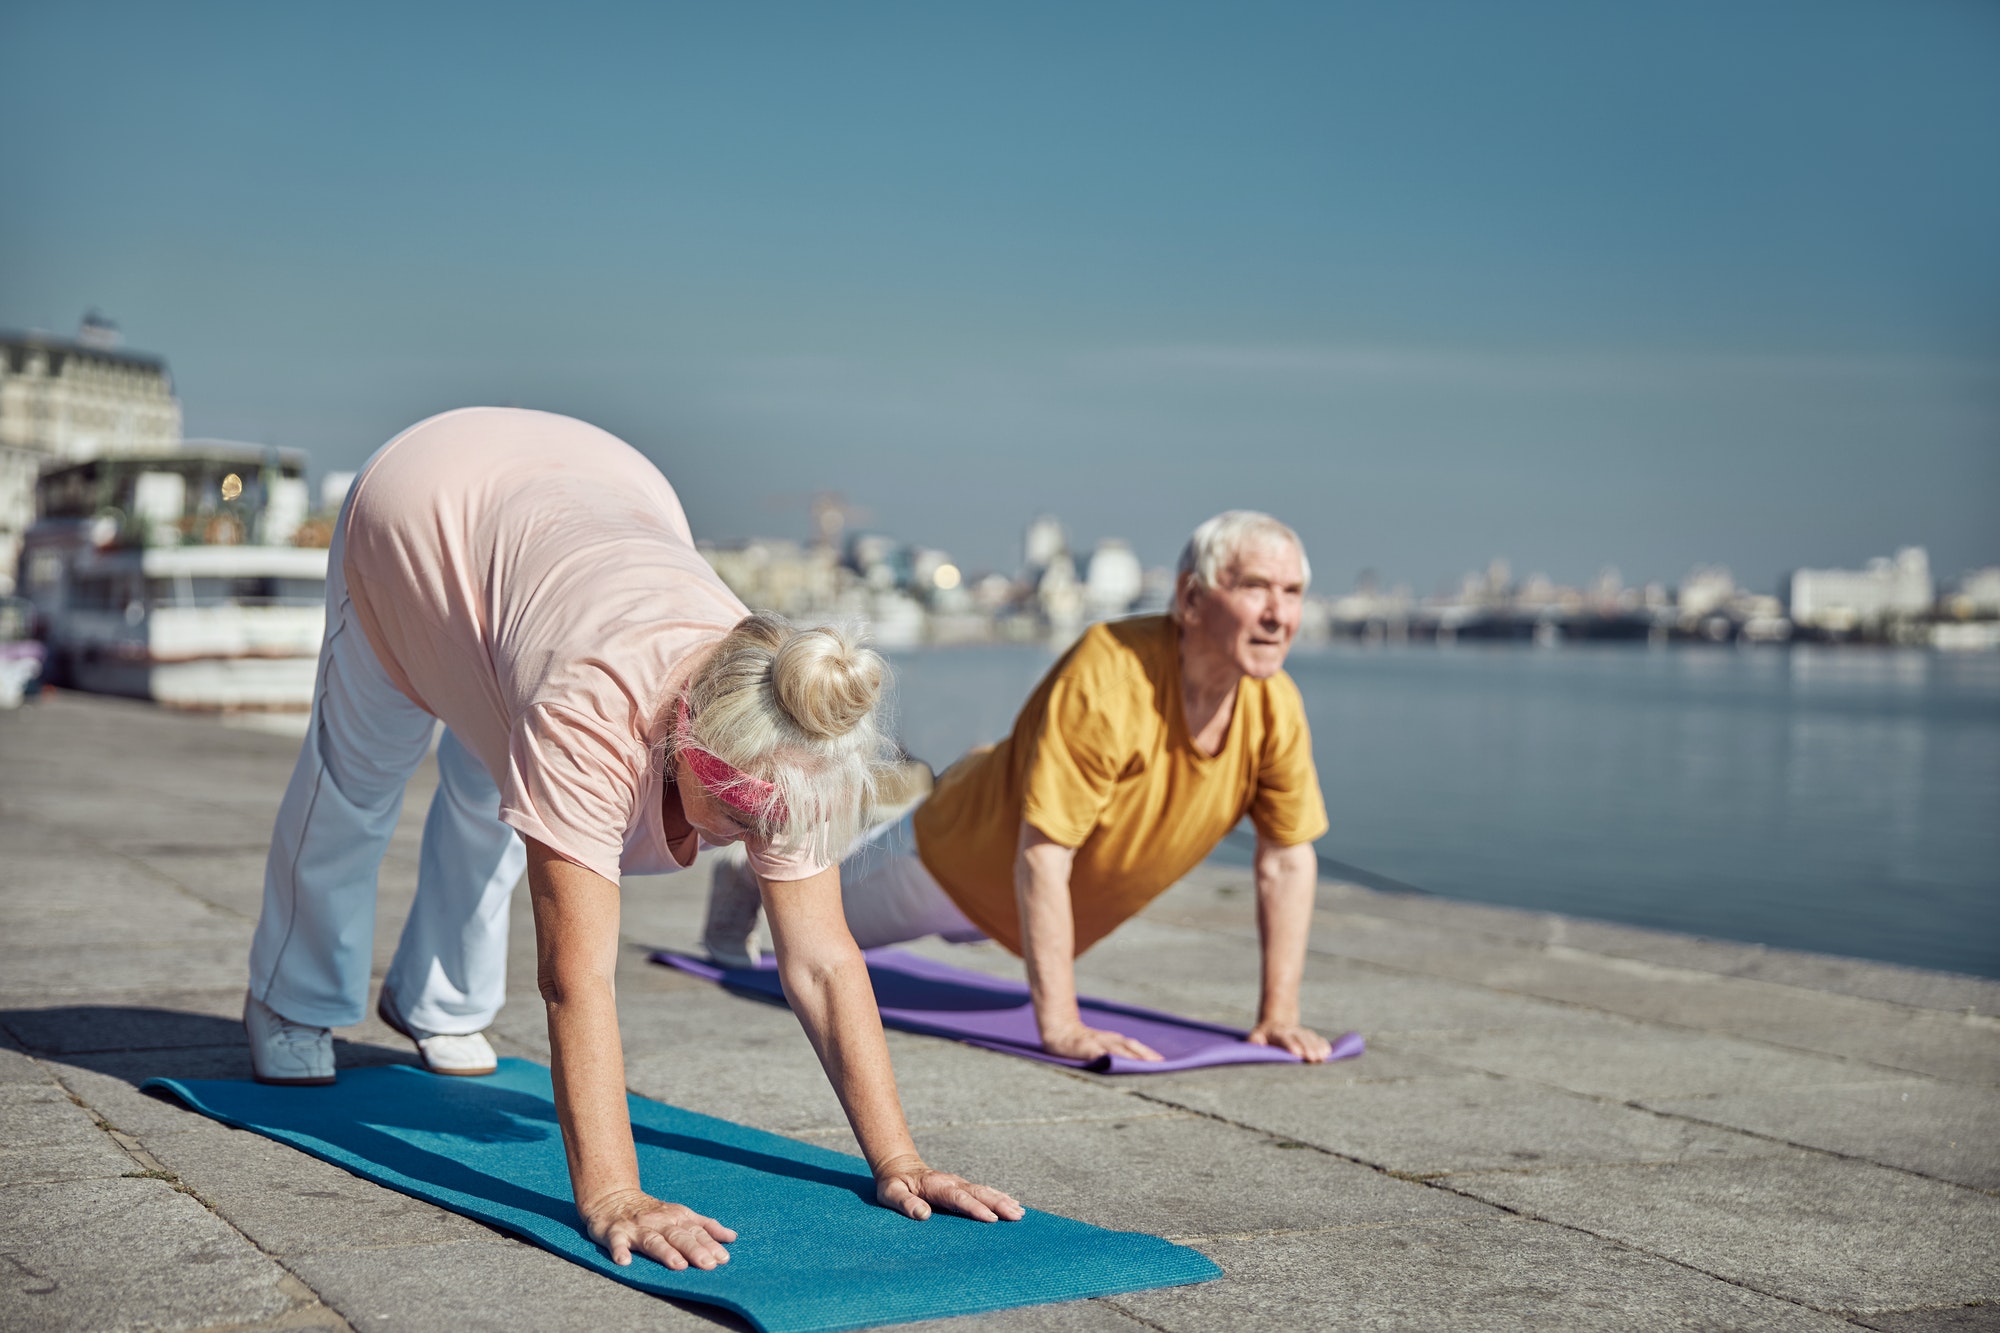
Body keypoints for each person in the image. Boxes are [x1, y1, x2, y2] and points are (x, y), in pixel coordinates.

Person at [246, 407, 1021, 1272]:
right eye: (743, 816)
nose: (754, 841)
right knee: (359, 773)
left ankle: (436, 1004)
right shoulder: (592, 709)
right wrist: (613, 1191)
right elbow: (574, 976)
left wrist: (899, 1160)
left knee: (494, 790)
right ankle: (294, 998)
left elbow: (823, 961)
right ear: (685, 730)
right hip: (424, 504)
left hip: (609, 487)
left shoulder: (793, 720)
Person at [706, 510, 1336, 1065]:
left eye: (1293, 592)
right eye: (1255, 588)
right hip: (954, 861)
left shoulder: (1276, 706)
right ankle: (746, 867)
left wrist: (1278, 1017)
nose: (1280, 615)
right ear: (1192, 598)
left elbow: (1286, 860)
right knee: (813, 920)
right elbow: (1043, 853)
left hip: (1027, 904)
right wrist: (1060, 1027)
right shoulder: (1112, 672)